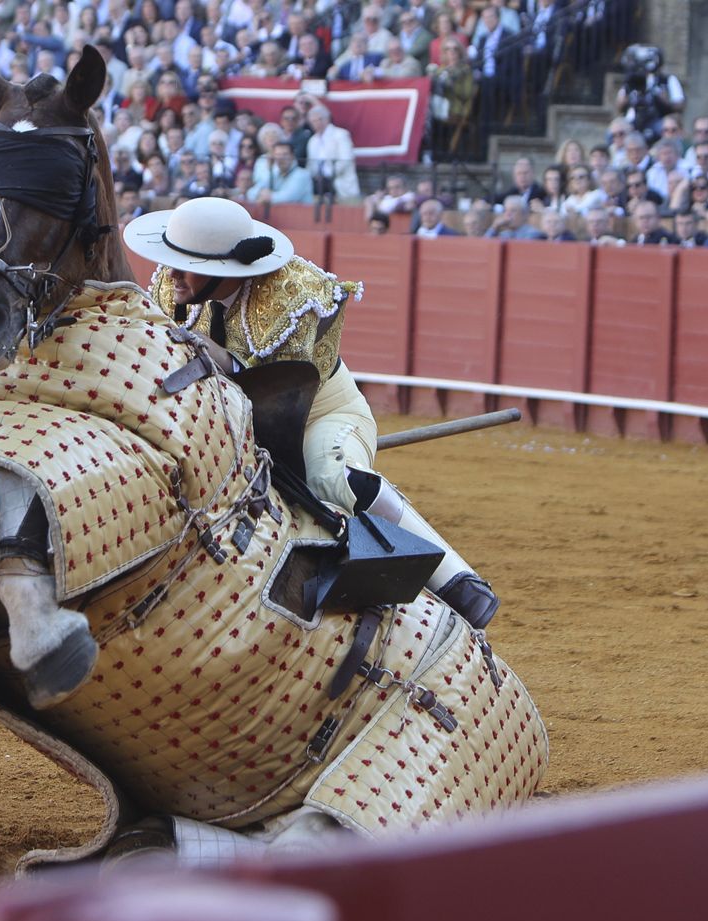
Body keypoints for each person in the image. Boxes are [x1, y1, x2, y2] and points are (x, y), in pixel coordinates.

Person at [128, 197, 499, 627]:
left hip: (317, 414)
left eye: (185, 264)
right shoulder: (171, 288)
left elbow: (282, 390)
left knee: (332, 477)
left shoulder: (293, 295)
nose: (170, 273)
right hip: (233, 424)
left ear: (221, 268)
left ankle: (459, 582)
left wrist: (219, 359)